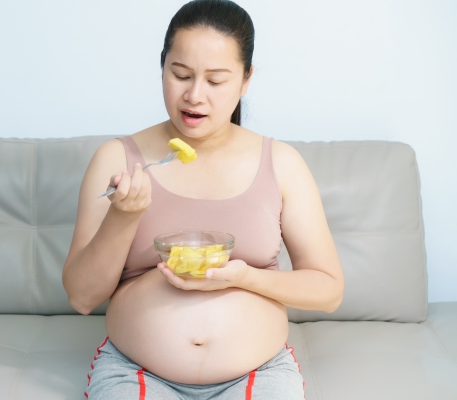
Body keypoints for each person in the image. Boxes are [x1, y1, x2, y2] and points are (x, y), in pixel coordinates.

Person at [62, 0, 344, 398]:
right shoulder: (117, 159)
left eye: (215, 81)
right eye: (180, 74)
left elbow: (328, 291)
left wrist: (245, 276)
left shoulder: (282, 163)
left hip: (256, 373)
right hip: (136, 371)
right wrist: (123, 217)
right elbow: (82, 297)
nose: (194, 95)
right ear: (162, 67)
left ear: (245, 80)